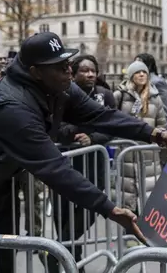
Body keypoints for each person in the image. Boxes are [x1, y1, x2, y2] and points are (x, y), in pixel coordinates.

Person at [0, 33, 167, 272]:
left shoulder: (58, 85)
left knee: (3, 254)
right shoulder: (12, 107)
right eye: (60, 67)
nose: (68, 71)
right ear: (35, 72)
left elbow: (101, 115)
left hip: (1, 179)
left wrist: (154, 134)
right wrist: (110, 209)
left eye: (68, 63)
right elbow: (54, 167)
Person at [50, 54, 117, 272]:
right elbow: (54, 127)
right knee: (63, 218)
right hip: (63, 166)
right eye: (84, 70)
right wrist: (79, 131)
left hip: (94, 166)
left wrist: (93, 138)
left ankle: (54, 251)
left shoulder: (105, 95)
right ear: (72, 72)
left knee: (89, 211)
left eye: (93, 70)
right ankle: (75, 267)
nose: (90, 74)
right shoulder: (58, 94)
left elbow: (112, 127)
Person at [113, 61, 167, 213]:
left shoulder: (155, 97)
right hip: (127, 153)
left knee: (150, 196)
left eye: (144, 72)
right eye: (137, 72)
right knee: (128, 196)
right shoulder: (120, 95)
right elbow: (110, 119)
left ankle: (147, 233)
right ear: (131, 76)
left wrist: (157, 139)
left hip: (149, 154)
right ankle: (129, 233)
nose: (142, 74)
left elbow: (162, 124)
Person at [135, 53, 167, 129]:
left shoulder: (157, 82)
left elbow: (166, 108)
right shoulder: (135, 82)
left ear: (148, 66)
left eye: (140, 64)